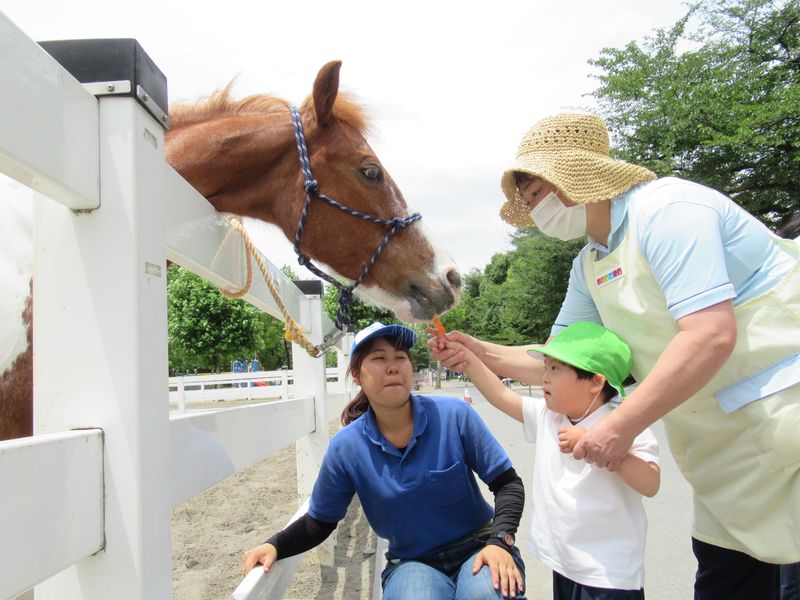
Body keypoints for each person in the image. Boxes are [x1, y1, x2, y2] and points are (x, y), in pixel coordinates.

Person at [430, 113, 800, 600]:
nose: (532, 208)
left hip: (782, 419)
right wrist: (477, 351)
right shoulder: (590, 264)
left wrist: (617, 427)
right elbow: (556, 361)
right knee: (726, 573)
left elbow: (709, 335)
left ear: (572, 175)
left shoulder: (668, 210)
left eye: (534, 190)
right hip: (719, 450)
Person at [243, 322, 527, 599]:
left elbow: (508, 484)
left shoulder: (454, 416)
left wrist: (500, 541)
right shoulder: (347, 448)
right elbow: (320, 521)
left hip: (479, 545)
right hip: (413, 562)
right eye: (379, 358)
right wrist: (275, 545)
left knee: (487, 594)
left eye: (400, 358)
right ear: (356, 374)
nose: (392, 366)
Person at [448, 321, 659, 599]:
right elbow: (500, 395)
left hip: (609, 574)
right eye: (545, 367)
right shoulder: (550, 416)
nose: (544, 377)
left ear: (595, 382)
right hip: (565, 565)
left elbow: (650, 481)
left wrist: (607, 449)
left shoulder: (624, 425)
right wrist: (467, 359)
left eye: (555, 369)